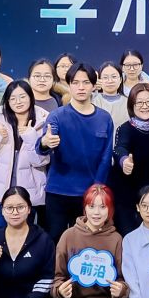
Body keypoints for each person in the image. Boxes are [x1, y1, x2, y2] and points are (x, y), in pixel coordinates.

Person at [42, 65, 116, 233]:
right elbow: (43, 145)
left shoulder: (104, 118)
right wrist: (45, 142)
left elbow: (106, 158)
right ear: (69, 85)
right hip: (58, 191)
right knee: (56, 239)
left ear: (94, 86)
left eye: (86, 82)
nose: (81, 87)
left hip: (90, 194)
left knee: (88, 240)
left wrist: (97, 190)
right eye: (75, 83)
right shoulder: (57, 116)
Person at [0, 79, 52, 229]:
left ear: (31, 97)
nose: (18, 102)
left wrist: (30, 137)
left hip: (29, 193)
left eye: (22, 97)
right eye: (13, 98)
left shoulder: (43, 122)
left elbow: (40, 161)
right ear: (7, 101)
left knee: (25, 236)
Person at [111, 83, 149, 234]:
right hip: (128, 194)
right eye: (139, 102)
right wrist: (124, 161)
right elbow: (120, 148)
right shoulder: (125, 128)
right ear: (132, 105)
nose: (144, 106)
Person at [93, 62, 132, 126]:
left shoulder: (129, 102)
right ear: (99, 80)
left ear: (120, 79)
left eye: (114, 77)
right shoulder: (92, 100)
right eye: (105, 77)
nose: (110, 81)